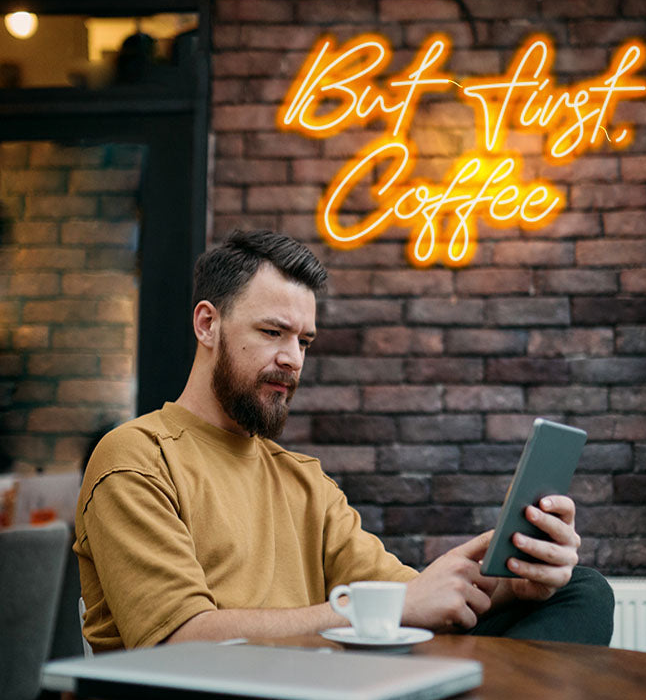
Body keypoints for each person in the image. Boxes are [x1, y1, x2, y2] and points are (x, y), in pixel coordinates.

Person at [74, 229, 614, 653]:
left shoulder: (300, 479)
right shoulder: (137, 458)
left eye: (304, 340)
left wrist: (515, 576)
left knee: (582, 590)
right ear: (208, 324)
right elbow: (181, 641)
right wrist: (393, 605)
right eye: (272, 332)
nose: (293, 358)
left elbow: (414, 598)